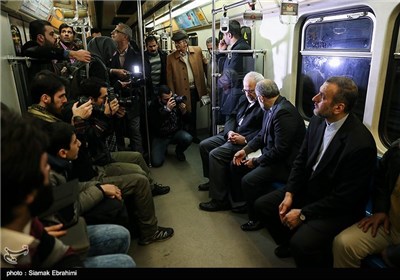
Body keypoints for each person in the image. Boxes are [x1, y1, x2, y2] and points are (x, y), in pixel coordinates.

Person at [26, 71, 174, 245]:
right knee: (139, 179)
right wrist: (83, 122)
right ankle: (149, 231)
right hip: (86, 173)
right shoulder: (47, 125)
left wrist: (110, 117)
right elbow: (84, 146)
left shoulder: (52, 116)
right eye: (61, 96)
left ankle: (145, 204)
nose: (66, 101)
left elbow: (99, 138)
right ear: (45, 98)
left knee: (137, 162)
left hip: (91, 166)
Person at [253, 76, 377, 267]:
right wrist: (289, 193)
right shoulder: (318, 122)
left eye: (322, 96)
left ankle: (300, 248)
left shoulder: (360, 144)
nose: (314, 98)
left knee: (301, 244)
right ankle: (287, 241)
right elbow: (301, 161)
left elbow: (345, 198)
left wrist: (303, 214)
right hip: (310, 190)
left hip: (336, 206)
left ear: (338, 108)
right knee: (263, 205)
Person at [1, 107, 135, 268]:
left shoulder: (25, 221)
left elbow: (61, 255)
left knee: (120, 236)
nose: (49, 170)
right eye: (44, 166)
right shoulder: (10, 254)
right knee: (125, 263)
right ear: (27, 192)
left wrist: (41, 241)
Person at [229, 79, 306, 231]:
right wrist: (245, 150)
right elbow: (262, 135)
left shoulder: (283, 113)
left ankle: (256, 219)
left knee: (248, 180)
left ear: (261, 98)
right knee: (236, 166)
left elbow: (280, 150)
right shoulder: (271, 108)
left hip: (285, 164)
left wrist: (256, 161)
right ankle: (247, 204)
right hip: (273, 158)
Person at [198, 72, 264, 210]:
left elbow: (263, 132)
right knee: (204, 145)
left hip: (246, 142)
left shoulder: (264, 104)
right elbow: (231, 117)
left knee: (215, 154)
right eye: (245, 90)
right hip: (233, 135)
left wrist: (245, 139)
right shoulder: (242, 99)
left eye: (251, 91)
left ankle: (220, 200)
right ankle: (213, 181)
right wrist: (229, 132)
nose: (248, 94)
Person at [333, 138, 400, 268]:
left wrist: (393, 254)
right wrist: (380, 209)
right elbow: (381, 178)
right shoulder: (397, 149)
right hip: (390, 225)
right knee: (344, 244)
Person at [21, 20, 90, 98]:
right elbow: (42, 51)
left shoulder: (46, 54)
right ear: (40, 38)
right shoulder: (31, 49)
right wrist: (73, 54)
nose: (55, 37)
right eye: (51, 34)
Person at [167, 30, 208, 143]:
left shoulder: (197, 51)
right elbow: (170, 80)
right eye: (175, 43)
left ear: (185, 42)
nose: (176, 45)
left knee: (193, 114)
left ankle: (193, 135)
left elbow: (206, 67)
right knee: (182, 115)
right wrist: (174, 95)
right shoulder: (170, 58)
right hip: (181, 91)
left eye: (178, 42)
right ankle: (183, 139)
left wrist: (207, 86)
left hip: (194, 89)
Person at [110, 23, 144, 153]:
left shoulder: (136, 55)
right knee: (118, 133)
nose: (113, 33)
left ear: (125, 37)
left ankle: (139, 160)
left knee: (135, 132)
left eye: (116, 31)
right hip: (115, 99)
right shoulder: (110, 54)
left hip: (132, 100)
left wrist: (130, 83)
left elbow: (142, 78)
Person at [149, 85, 193, 167]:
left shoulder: (176, 101)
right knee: (156, 163)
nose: (170, 100)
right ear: (159, 98)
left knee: (188, 138)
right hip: (160, 136)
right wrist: (167, 110)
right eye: (166, 99)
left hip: (174, 133)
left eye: (171, 97)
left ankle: (179, 151)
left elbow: (189, 121)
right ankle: (163, 148)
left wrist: (184, 112)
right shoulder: (154, 106)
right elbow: (154, 125)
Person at [217, 20, 252, 89]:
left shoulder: (240, 49)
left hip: (236, 90)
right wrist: (222, 52)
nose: (223, 38)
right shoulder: (236, 48)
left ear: (229, 35)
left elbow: (230, 74)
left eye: (224, 35)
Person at [144, 35, 168, 102]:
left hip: (161, 85)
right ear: (146, 46)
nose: (153, 48)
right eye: (150, 47)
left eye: (154, 46)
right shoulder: (143, 57)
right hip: (150, 87)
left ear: (157, 45)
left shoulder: (163, 55)